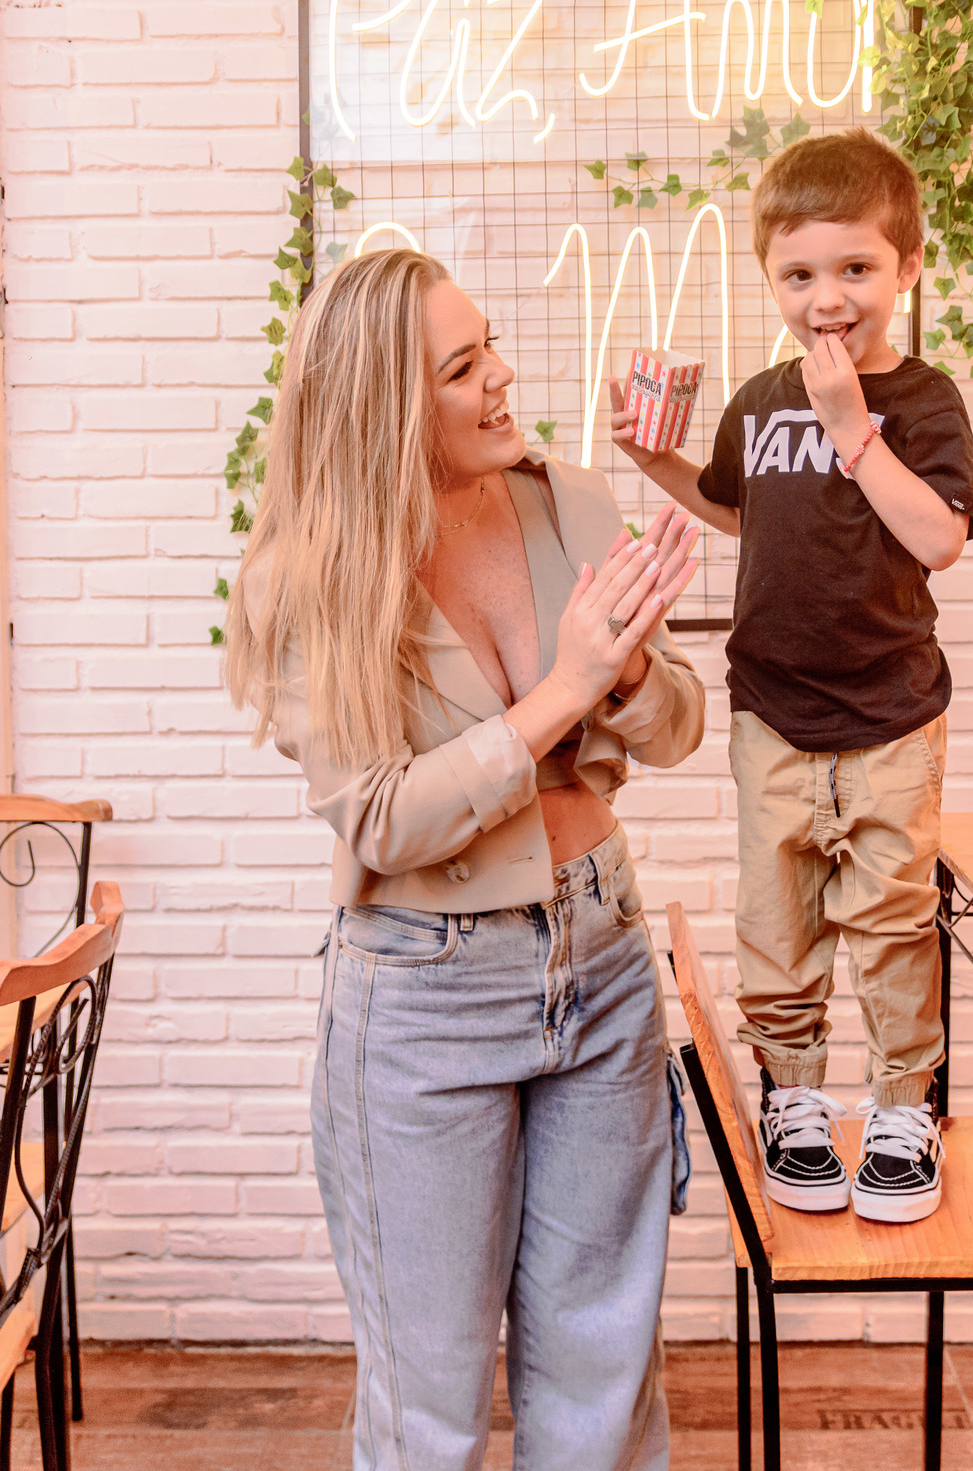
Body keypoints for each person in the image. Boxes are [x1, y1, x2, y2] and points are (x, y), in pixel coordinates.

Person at [224, 247, 706, 1470]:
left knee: (603, 1386)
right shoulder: (310, 578)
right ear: (386, 406)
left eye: (489, 347)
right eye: (461, 367)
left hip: (601, 961)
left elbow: (680, 725)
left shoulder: (569, 503)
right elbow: (381, 819)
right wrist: (566, 690)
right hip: (425, 996)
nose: (502, 378)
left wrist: (631, 675)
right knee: (430, 1404)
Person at [610, 128, 973, 1224]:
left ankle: (903, 1111)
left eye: (855, 268)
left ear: (907, 266)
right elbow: (742, 511)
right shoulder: (759, 397)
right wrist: (654, 460)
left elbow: (940, 540)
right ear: (770, 279)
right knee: (777, 927)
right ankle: (795, 1102)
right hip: (772, 717)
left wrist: (853, 433)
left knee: (892, 923)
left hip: (891, 717)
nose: (828, 299)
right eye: (799, 276)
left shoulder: (923, 401)